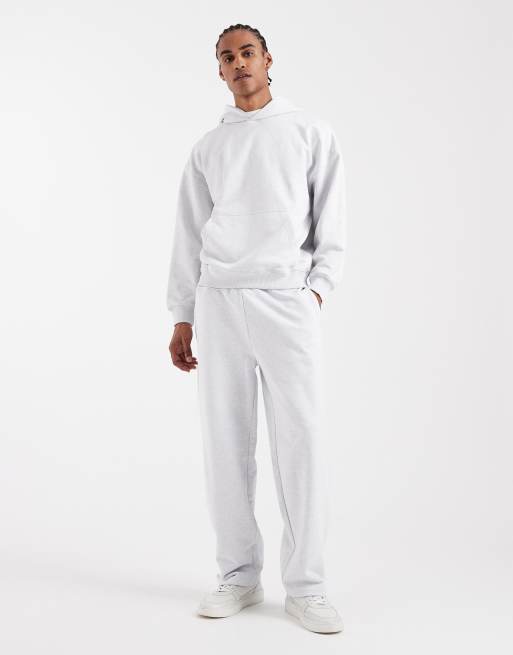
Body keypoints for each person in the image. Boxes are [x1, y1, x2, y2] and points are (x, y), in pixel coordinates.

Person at [166, 23, 346, 634]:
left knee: (301, 441)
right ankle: (239, 575)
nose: (239, 63)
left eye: (248, 52)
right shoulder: (208, 148)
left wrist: (316, 290)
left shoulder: (309, 132)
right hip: (219, 302)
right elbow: (189, 233)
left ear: (268, 59)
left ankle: (308, 586)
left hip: (285, 298)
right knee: (225, 442)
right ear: (219, 70)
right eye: (227, 57)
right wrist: (183, 314)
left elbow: (331, 222)